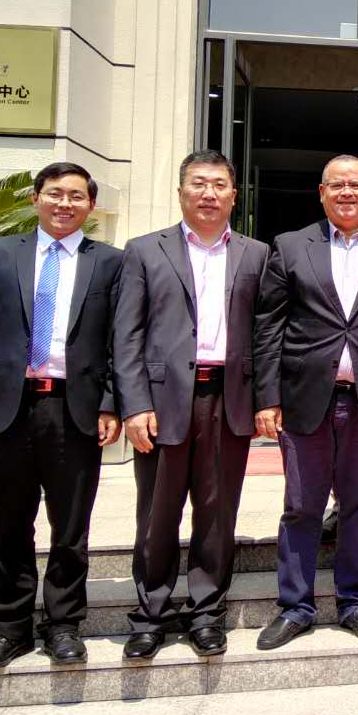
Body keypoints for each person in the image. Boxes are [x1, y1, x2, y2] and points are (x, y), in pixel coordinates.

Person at [0, 163, 123, 670]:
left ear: (90, 205)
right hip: (9, 406)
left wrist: (111, 403)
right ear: (36, 198)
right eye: (55, 193)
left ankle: (64, 625)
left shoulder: (109, 262)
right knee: (9, 523)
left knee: (70, 526)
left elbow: (118, 341)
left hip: (75, 408)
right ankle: (9, 628)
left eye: (76, 196)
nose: (64, 204)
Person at [253, 155, 358, 650]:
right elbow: (269, 327)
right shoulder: (290, 246)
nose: (347, 192)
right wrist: (267, 397)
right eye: (336, 185)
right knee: (302, 506)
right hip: (306, 399)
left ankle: (355, 601)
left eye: (355, 184)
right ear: (321, 193)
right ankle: (295, 606)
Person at [114, 150, 269, 660]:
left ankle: (207, 612)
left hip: (229, 398)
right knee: (157, 514)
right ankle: (150, 614)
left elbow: (267, 335)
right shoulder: (144, 251)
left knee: (217, 512)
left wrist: (266, 399)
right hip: (162, 403)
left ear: (234, 195)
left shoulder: (256, 254)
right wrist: (133, 405)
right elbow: (126, 335)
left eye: (219, 185)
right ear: (180, 192)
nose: (209, 194)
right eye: (199, 184)